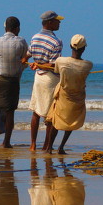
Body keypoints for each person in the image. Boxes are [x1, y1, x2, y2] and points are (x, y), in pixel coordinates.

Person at [40, 34, 93, 153]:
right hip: (77, 96)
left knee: (56, 120)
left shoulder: (61, 61)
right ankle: (61, 147)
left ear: (70, 46)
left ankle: (49, 147)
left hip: (63, 95)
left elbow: (57, 70)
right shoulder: (88, 65)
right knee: (71, 121)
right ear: (84, 48)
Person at [0, 16, 29, 148]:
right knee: (10, 112)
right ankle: (6, 142)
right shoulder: (21, 42)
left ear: (5, 28)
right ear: (17, 28)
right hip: (13, 80)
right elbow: (24, 58)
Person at [27, 10, 64, 151]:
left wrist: (26, 60)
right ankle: (46, 145)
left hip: (38, 77)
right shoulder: (57, 41)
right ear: (49, 23)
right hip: (50, 79)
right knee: (50, 113)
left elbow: (29, 53)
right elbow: (53, 64)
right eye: (57, 21)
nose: (59, 23)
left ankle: (33, 144)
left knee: (36, 111)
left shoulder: (34, 37)